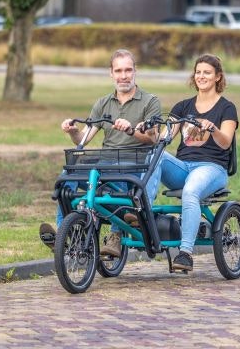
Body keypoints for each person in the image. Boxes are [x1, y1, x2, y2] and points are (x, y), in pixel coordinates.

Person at [39, 49, 161, 257]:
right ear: (111, 73)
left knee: (119, 178)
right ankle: (64, 231)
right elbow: (83, 140)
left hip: (136, 161)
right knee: (69, 174)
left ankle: (115, 236)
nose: (123, 76)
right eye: (119, 71)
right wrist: (73, 131)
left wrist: (131, 129)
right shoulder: (103, 103)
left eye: (128, 70)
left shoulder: (150, 101)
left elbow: (153, 138)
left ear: (135, 72)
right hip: (107, 160)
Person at [156, 54, 238, 272]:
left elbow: (225, 142)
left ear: (218, 77)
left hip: (212, 168)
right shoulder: (183, 107)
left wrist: (213, 128)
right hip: (184, 168)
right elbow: (165, 139)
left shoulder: (227, 108)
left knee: (190, 191)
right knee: (155, 156)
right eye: (198, 72)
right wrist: (148, 132)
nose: (201, 76)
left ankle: (185, 253)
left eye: (207, 72)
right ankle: (141, 211)